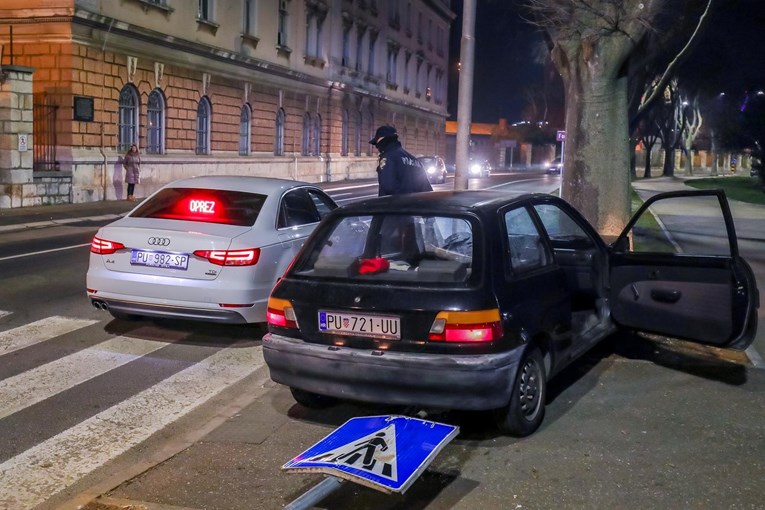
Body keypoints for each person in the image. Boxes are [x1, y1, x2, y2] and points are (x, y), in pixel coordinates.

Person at [369, 125, 432, 196]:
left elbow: (388, 186)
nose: (377, 147)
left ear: (383, 139)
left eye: (377, 142)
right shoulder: (415, 161)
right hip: (416, 206)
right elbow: (427, 191)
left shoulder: (388, 157)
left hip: (394, 206)